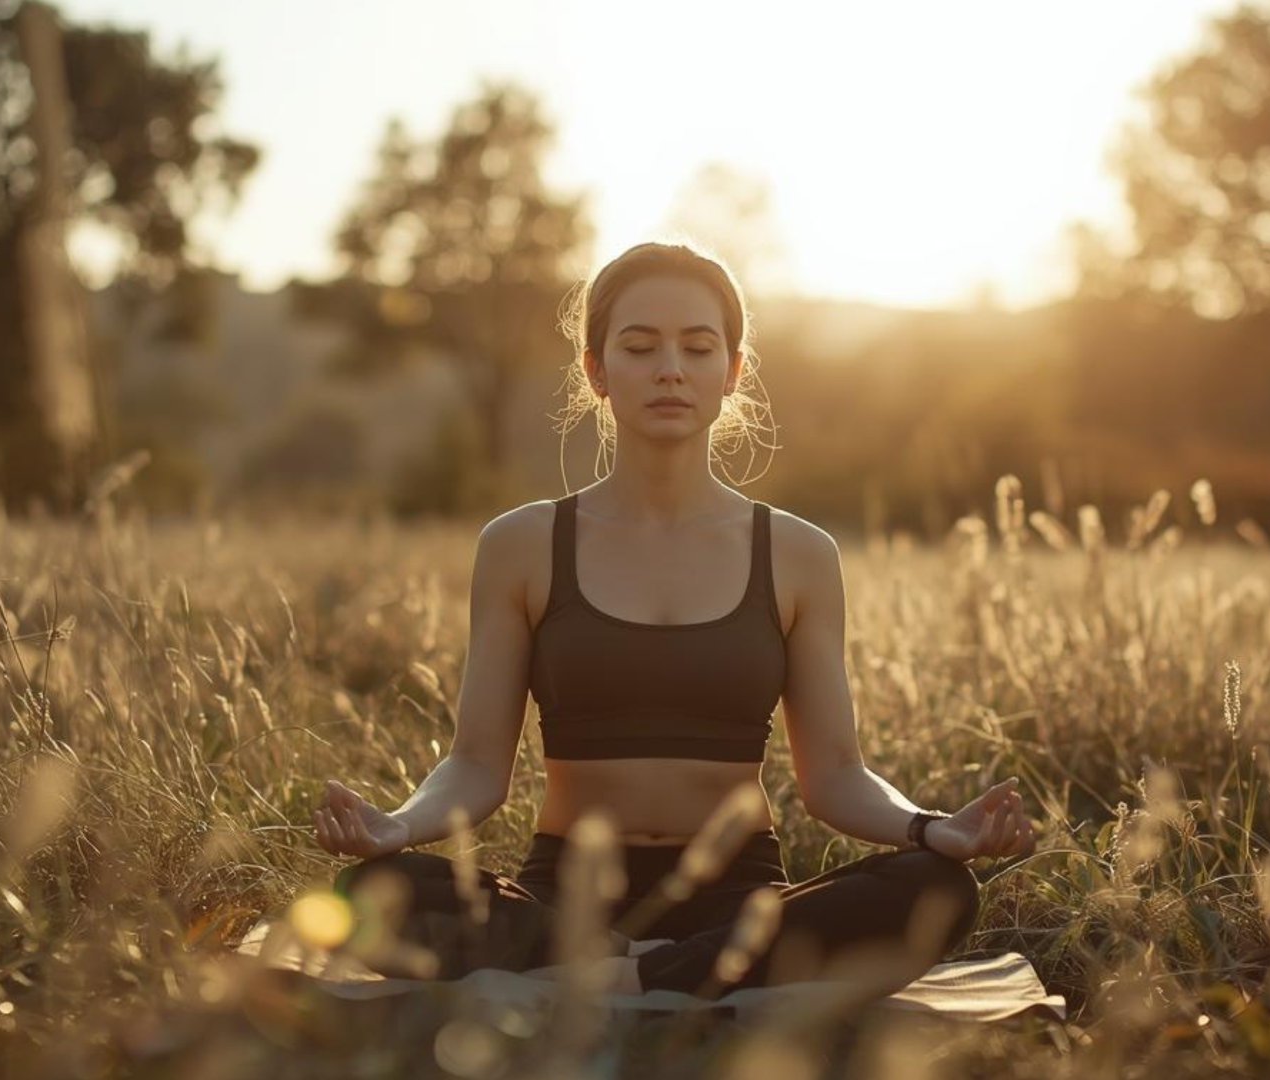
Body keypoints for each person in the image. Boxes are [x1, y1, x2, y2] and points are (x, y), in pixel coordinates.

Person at [313, 240, 1036, 1000]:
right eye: (639, 346)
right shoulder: (523, 545)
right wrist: (397, 825)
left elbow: (836, 778)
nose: (670, 368)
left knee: (938, 887)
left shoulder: (797, 554)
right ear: (596, 371)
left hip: (739, 901)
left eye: (697, 347)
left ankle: (615, 982)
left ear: (731, 373)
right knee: (371, 893)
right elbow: (475, 767)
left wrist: (932, 829)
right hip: (564, 900)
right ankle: (679, 981)